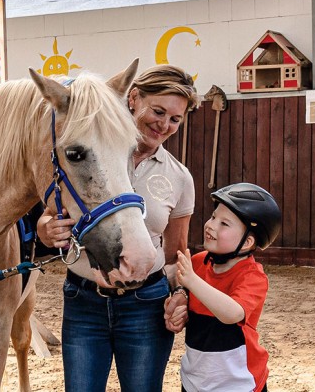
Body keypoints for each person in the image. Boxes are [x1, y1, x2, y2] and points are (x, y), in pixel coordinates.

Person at [36, 64, 198, 391]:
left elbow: (176, 252)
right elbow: (48, 214)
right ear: (133, 98)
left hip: (146, 306)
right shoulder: (95, 153)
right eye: (158, 111)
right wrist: (45, 229)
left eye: (175, 119)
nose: (164, 124)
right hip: (85, 301)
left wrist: (180, 294)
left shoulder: (179, 178)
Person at [176, 183, 281, 392]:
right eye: (214, 217)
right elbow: (185, 293)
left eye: (224, 223)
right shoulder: (198, 263)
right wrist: (178, 299)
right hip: (195, 379)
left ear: (246, 242)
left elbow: (232, 313)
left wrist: (192, 281)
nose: (211, 225)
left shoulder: (252, 277)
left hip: (238, 382)